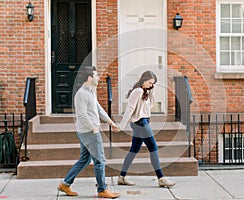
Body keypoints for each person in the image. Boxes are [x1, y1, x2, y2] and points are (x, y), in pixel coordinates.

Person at [57, 66, 120, 198]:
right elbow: (82, 115)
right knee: (100, 161)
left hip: (88, 131)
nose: (98, 78)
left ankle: (65, 183)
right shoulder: (81, 94)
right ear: (90, 78)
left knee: (85, 160)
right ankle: (102, 189)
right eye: (96, 76)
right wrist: (93, 128)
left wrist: (110, 122)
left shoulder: (90, 91)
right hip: (89, 132)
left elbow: (99, 109)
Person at [117, 70, 176, 187]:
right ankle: (161, 178)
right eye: (149, 83)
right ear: (143, 80)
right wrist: (121, 125)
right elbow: (130, 109)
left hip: (142, 122)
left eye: (152, 84)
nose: (151, 85)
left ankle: (121, 177)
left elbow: (150, 106)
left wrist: (151, 91)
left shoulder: (145, 91)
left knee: (134, 150)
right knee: (153, 148)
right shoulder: (138, 91)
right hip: (141, 123)